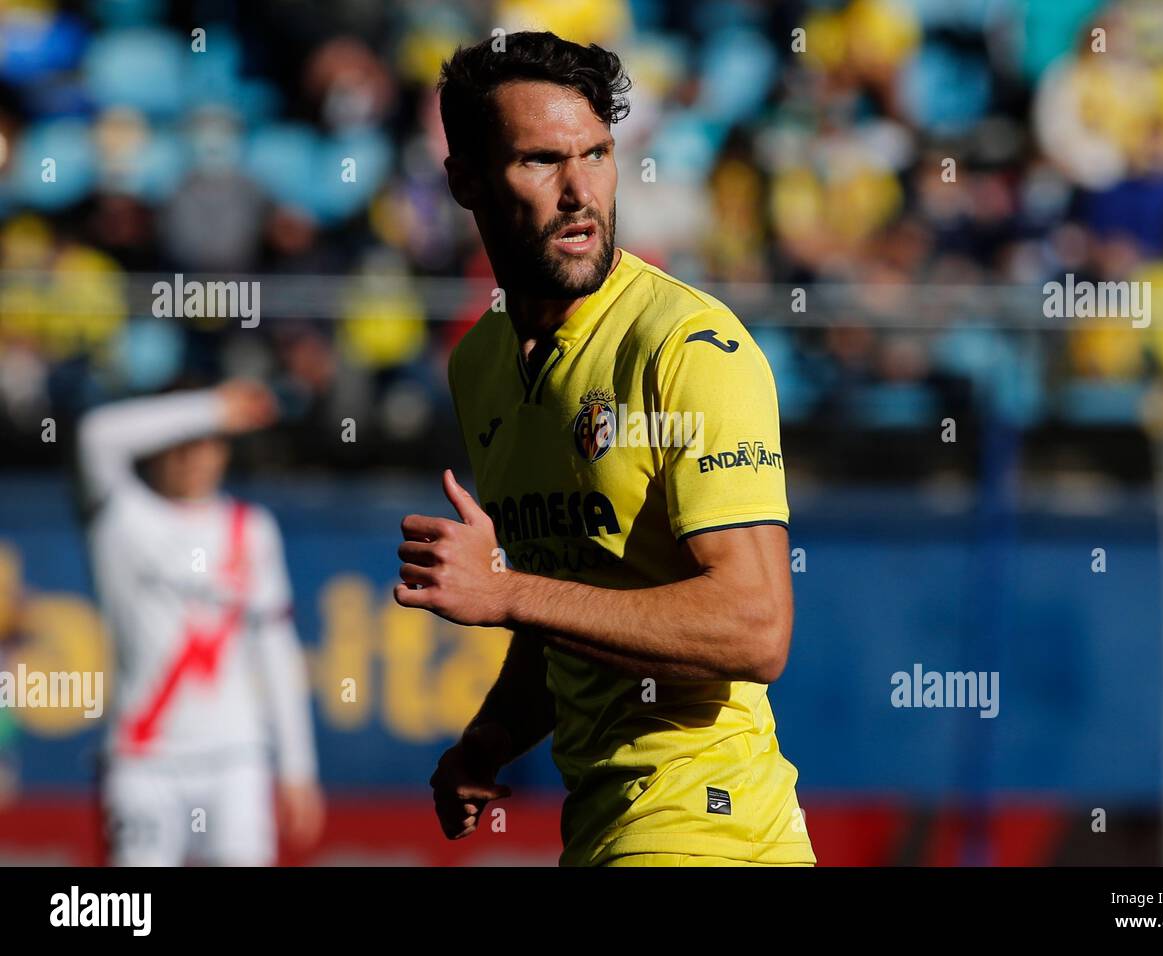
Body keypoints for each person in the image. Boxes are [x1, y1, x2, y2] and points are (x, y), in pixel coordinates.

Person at [395, 31, 815, 867]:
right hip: (602, 825)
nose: (580, 190)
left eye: (598, 153)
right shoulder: (480, 362)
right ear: (467, 180)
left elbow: (756, 627)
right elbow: (578, 595)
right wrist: (488, 741)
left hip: (709, 828)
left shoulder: (688, 345)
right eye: (541, 161)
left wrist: (506, 590)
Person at [78, 381, 323, 866]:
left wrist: (298, 768)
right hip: (142, 760)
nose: (195, 457)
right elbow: (96, 435)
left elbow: (276, 651)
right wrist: (212, 409)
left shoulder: (250, 530)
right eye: (182, 441)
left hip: (237, 758)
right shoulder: (118, 518)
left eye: (208, 441)